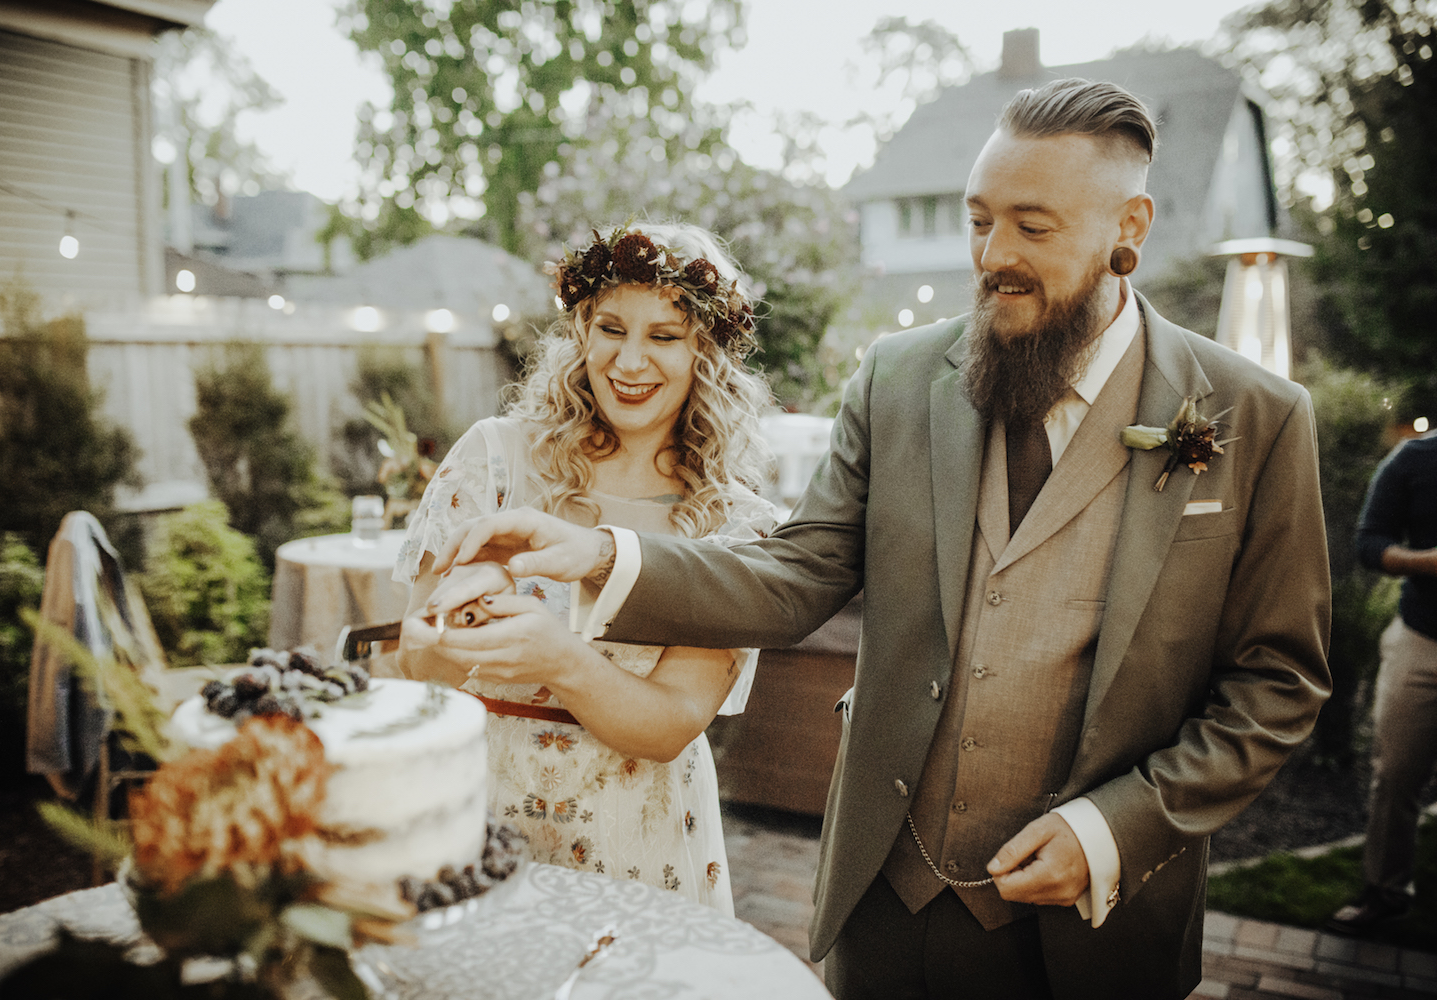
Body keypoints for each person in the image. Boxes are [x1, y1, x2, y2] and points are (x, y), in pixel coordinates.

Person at [426, 79, 1333, 1000]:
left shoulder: (1253, 416)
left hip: (1101, 926)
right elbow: (795, 574)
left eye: (1033, 227)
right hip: (891, 898)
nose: (993, 256)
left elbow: (1278, 683)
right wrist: (606, 556)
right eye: (979, 221)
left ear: (1127, 226)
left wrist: (1115, 831)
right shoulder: (898, 380)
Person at [391, 221, 778, 915]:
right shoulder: (495, 460)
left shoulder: (735, 524)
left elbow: (670, 725)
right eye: (610, 329)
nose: (629, 362)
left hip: (639, 839)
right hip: (477, 816)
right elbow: (414, 666)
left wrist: (558, 658)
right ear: (580, 333)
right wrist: (453, 622)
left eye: (664, 336)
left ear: (706, 355)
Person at [1326, 429, 1437, 934]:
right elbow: (1369, 544)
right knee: (1395, 775)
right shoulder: (1415, 458)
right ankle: (1385, 894)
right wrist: (1428, 562)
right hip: (1421, 640)